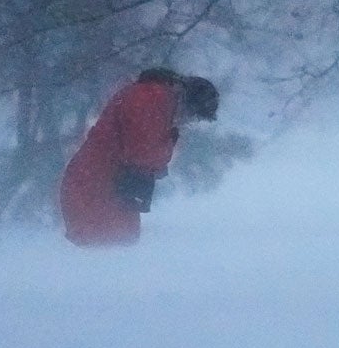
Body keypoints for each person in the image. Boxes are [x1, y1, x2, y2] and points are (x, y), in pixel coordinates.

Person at [59, 68, 219, 247]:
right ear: (186, 101)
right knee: (107, 252)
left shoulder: (153, 98)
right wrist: (170, 139)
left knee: (116, 251)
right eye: (193, 116)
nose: (188, 121)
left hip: (105, 186)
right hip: (95, 187)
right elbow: (142, 153)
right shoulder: (151, 100)